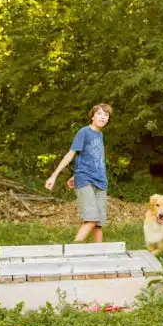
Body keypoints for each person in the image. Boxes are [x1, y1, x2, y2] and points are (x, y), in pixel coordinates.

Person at [45, 104, 113, 242]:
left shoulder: (100, 135)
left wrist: (74, 175)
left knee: (98, 224)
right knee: (91, 219)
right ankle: (71, 253)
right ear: (92, 116)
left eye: (106, 115)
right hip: (86, 180)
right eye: (99, 114)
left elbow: (90, 158)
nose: (103, 117)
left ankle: (99, 255)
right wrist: (54, 175)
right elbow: (71, 154)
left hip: (101, 182)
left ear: (108, 120)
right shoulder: (84, 132)